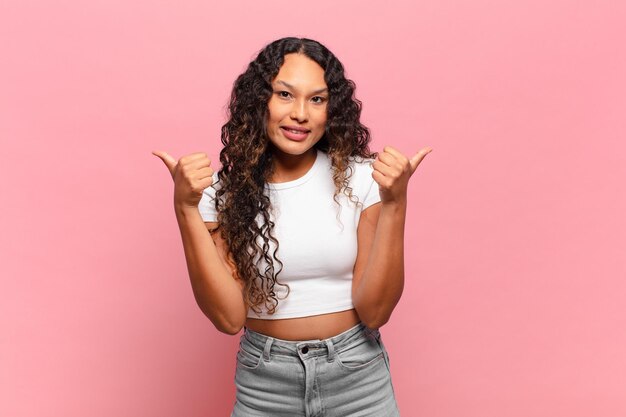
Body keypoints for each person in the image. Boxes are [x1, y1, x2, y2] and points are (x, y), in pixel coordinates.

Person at [153, 37, 431, 416]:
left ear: (331, 109)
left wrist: (396, 201)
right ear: (258, 101)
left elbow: (376, 311)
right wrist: (186, 208)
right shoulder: (223, 193)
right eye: (285, 94)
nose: (300, 113)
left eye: (316, 99)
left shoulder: (364, 178)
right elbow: (228, 318)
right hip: (264, 385)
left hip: (357, 379)